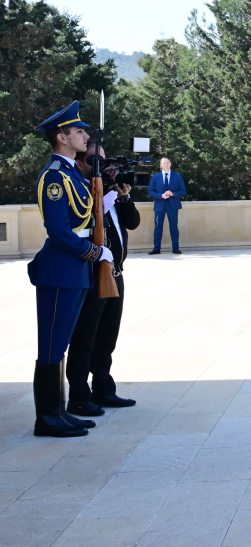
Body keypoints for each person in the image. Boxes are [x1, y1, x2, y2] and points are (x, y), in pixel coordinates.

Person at [27, 102, 114, 438]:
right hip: (61, 268)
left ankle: (58, 411)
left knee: (61, 343)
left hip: (74, 269)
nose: (85, 136)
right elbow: (59, 231)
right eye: (79, 132)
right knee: (51, 345)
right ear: (62, 137)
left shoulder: (72, 174)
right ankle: (46, 417)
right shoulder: (53, 178)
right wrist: (94, 251)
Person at [65, 147, 140, 417]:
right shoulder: (79, 191)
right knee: (85, 338)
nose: (102, 166)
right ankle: (79, 396)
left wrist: (123, 196)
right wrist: (103, 194)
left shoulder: (108, 192)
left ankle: (103, 388)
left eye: (104, 160)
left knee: (107, 336)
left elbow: (132, 222)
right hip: (93, 275)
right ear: (79, 161)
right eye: (94, 160)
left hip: (115, 274)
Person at [147, 156, 186, 254]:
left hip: (173, 205)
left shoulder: (177, 176)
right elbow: (150, 192)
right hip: (159, 205)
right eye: (164, 163)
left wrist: (173, 193)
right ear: (160, 165)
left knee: (174, 227)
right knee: (158, 227)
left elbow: (183, 190)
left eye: (167, 163)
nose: (166, 165)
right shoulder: (155, 177)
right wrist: (161, 195)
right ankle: (156, 249)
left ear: (170, 164)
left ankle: (175, 248)